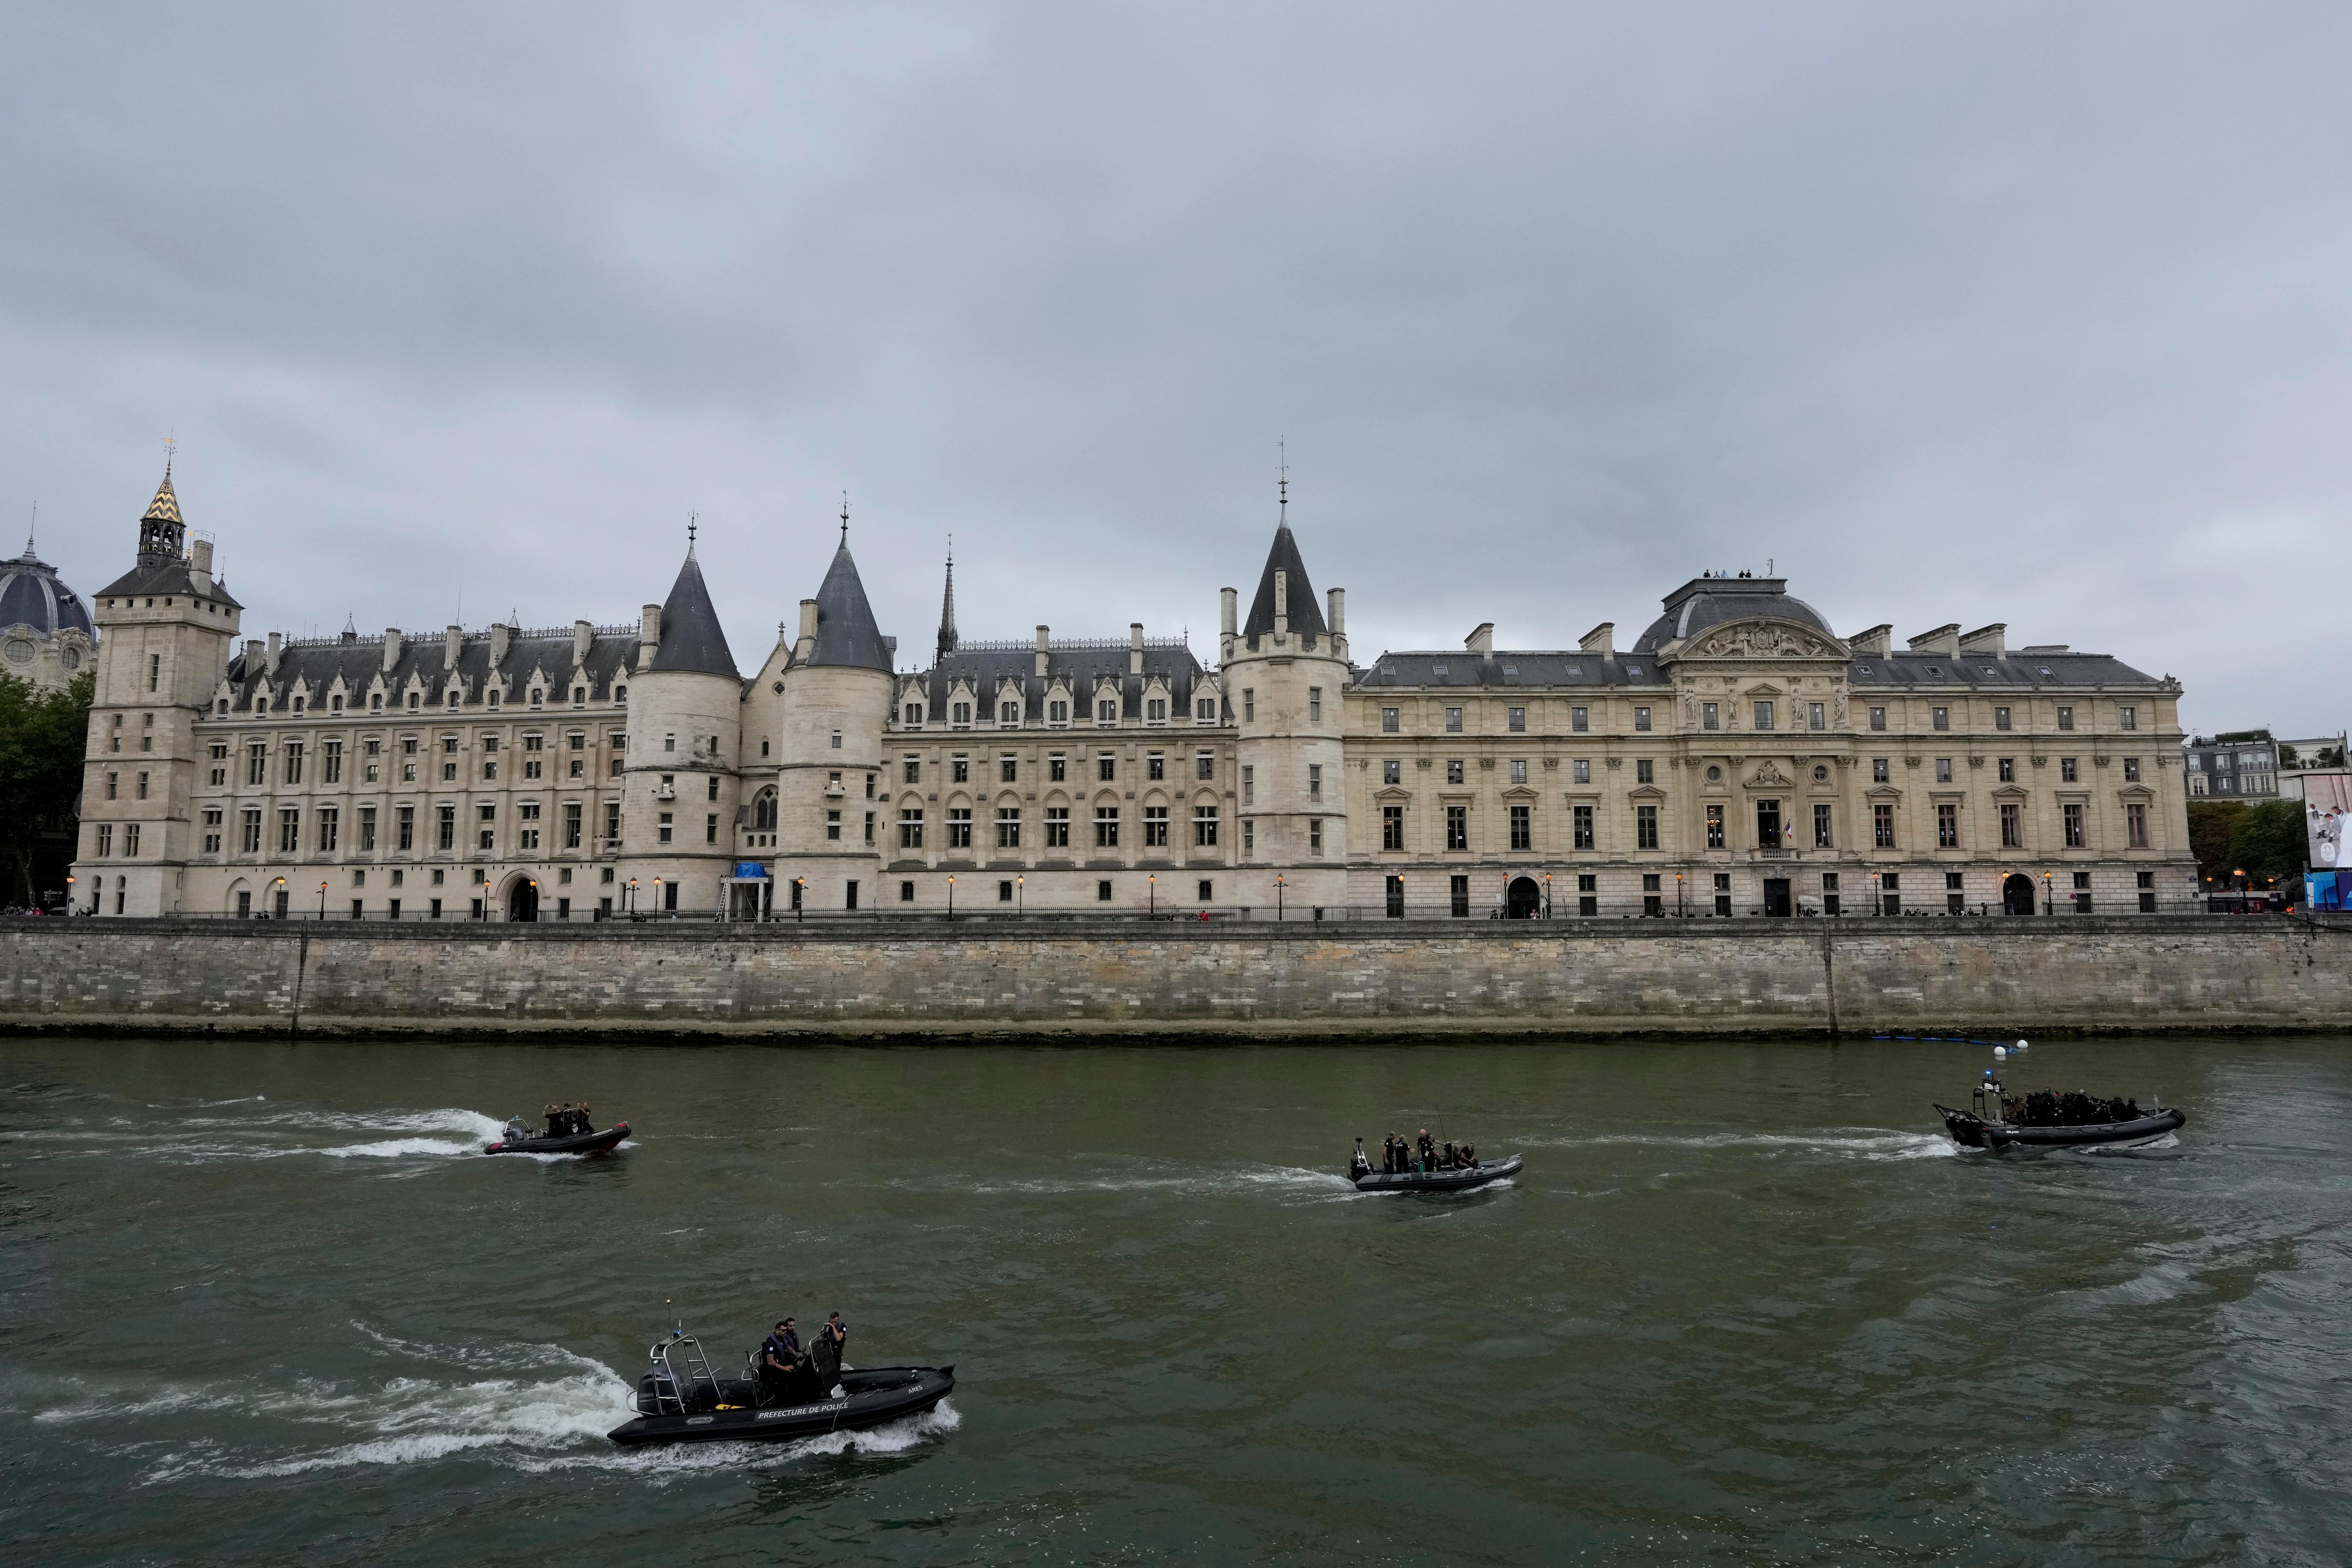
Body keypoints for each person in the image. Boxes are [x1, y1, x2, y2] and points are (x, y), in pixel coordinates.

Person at [759, 1318, 801, 1398]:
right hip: (774, 1372)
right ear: (778, 1330)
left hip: (783, 1366)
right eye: (784, 1331)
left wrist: (797, 1355)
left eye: (786, 1330)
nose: (786, 1332)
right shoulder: (770, 1344)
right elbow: (770, 1362)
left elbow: (789, 1348)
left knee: (798, 1373)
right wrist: (785, 1368)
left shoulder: (782, 1339)